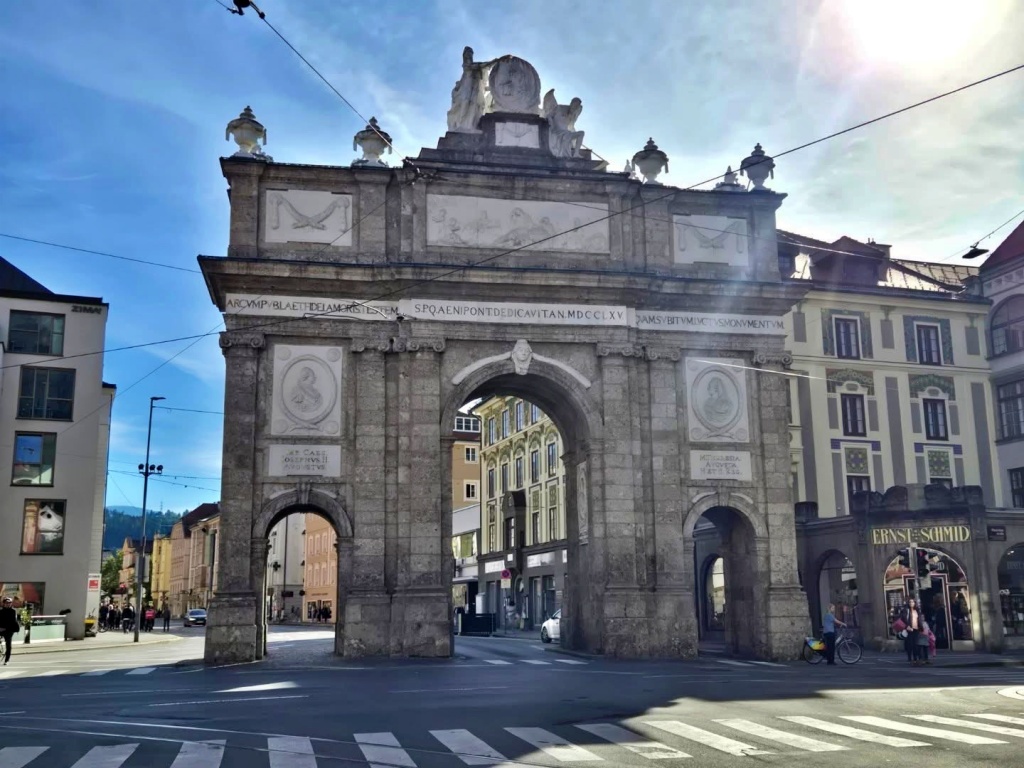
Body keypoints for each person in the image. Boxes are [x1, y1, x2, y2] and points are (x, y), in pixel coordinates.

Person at [899, 598, 925, 665]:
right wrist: (907, 626)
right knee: (910, 644)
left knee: (916, 644)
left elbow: (919, 619)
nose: (911, 603)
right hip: (909, 629)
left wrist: (921, 627)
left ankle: (917, 658)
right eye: (910, 602)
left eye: (912, 602)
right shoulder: (906, 610)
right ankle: (911, 657)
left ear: (914, 603)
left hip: (916, 628)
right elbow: (903, 619)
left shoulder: (917, 610)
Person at [0, 597, 20, 666]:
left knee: (8, 644)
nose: (8, 604)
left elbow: (12, 622)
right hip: (2, 629)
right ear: (4, 604)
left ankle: (7, 660)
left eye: (9, 603)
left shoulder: (13, 611)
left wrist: (5, 628)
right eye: (6, 603)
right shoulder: (1, 611)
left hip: (10, 629)